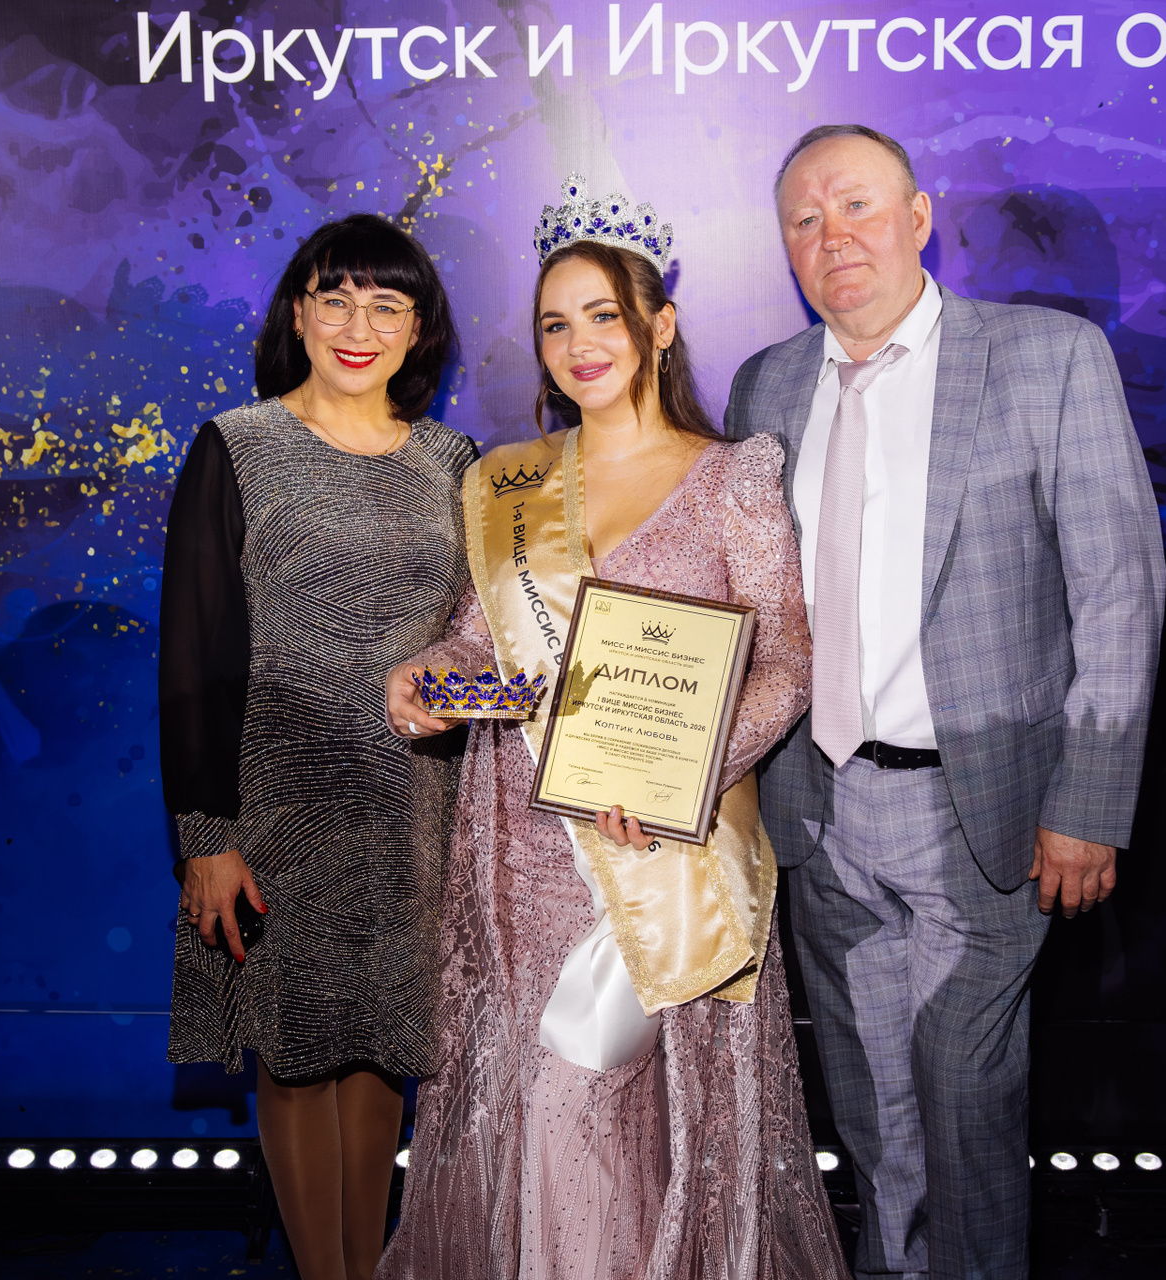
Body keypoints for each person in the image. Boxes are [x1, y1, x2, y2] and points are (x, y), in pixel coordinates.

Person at [376, 176, 847, 1280]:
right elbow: (486, 650)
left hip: (663, 848)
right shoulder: (508, 482)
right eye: (555, 324)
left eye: (604, 315)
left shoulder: (732, 477)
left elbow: (787, 660)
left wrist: (689, 776)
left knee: (599, 1095)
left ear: (659, 325)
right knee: (554, 1114)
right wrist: (427, 681)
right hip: (527, 855)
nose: (580, 344)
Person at [725, 126, 1164, 1278]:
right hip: (819, 811)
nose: (834, 236)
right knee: (873, 1116)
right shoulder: (767, 383)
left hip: (984, 813)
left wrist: (1090, 800)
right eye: (805, 220)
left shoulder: (1047, 357)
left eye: (858, 206)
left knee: (966, 1099)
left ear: (919, 218)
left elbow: (1119, 590)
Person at [159, 213, 477, 1280]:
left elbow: (480, 635)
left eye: (387, 305)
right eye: (334, 299)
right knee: (294, 1053)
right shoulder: (237, 445)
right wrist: (206, 837)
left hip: (410, 820)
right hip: (275, 815)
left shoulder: (453, 461)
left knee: (386, 1047)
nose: (358, 326)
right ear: (297, 314)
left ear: (419, 329)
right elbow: (193, 657)